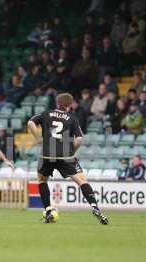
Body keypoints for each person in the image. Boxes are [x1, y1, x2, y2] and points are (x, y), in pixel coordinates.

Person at [27, 93, 109, 225]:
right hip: (66, 154)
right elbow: (79, 139)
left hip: (47, 154)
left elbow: (30, 122)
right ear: (69, 106)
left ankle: (48, 209)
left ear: (57, 103)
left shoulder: (46, 113)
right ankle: (95, 207)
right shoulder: (72, 118)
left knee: (42, 180)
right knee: (82, 181)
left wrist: (39, 139)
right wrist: (72, 152)